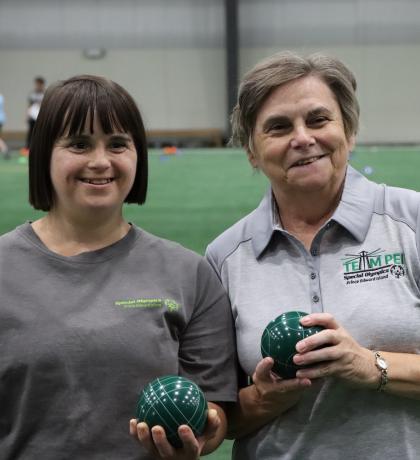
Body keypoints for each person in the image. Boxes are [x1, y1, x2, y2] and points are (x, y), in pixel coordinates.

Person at [0, 75, 237, 459]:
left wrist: (206, 429)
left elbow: (215, 408)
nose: (100, 161)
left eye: (117, 144)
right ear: (43, 153)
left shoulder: (189, 274)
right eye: (79, 144)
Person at [206, 51, 420, 459]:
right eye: (278, 127)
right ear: (252, 150)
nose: (302, 138)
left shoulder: (412, 222)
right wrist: (265, 398)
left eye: (319, 120)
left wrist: (370, 365)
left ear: (349, 131)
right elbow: (222, 414)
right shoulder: (225, 257)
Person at [26, 76, 46, 150]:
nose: (37, 86)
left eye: (39, 84)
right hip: (32, 117)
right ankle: (28, 148)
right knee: (31, 133)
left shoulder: (45, 94)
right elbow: (29, 105)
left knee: (40, 132)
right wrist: (27, 115)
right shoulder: (32, 94)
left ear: (42, 84)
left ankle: (40, 148)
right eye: (36, 84)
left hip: (41, 117)